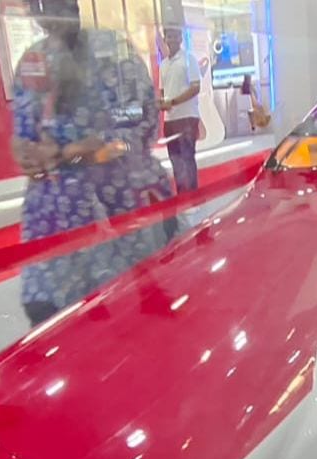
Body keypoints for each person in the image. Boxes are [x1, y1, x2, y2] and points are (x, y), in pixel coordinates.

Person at [12, 0, 173, 327]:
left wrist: (74, 150)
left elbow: (138, 126)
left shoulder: (112, 51)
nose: (50, 14)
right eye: (41, 8)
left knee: (139, 303)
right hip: (56, 206)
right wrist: (26, 154)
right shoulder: (34, 59)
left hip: (116, 191)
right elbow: (22, 129)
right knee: (50, 312)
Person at [159, 27, 202, 194]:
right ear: (165, 39)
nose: (172, 40)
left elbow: (195, 87)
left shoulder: (189, 60)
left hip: (187, 117)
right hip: (170, 120)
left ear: (181, 38)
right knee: (175, 160)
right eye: (169, 36)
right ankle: (182, 196)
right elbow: (163, 91)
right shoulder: (163, 65)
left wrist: (174, 102)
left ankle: (193, 197)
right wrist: (162, 103)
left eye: (175, 36)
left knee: (187, 158)